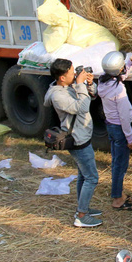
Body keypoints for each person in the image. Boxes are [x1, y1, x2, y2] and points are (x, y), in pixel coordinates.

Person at [44, 58, 102, 227]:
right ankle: (81, 216)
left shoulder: (67, 87)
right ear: (62, 77)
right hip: (78, 140)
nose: (74, 74)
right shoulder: (57, 95)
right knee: (92, 177)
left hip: (82, 136)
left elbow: (91, 97)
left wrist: (89, 84)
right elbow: (81, 107)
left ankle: (83, 207)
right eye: (71, 72)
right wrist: (80, 84)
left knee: (83, 176)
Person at [98, 51, 132, 210]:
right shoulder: (119, 90)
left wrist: (129, 62)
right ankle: (117, 199)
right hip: (120, 129)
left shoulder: (103, 82)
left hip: (110, 126)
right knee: (120, 164)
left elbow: (120, 76)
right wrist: (130, 139)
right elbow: (124, 117)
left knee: (116, 162)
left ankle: (119, 192)